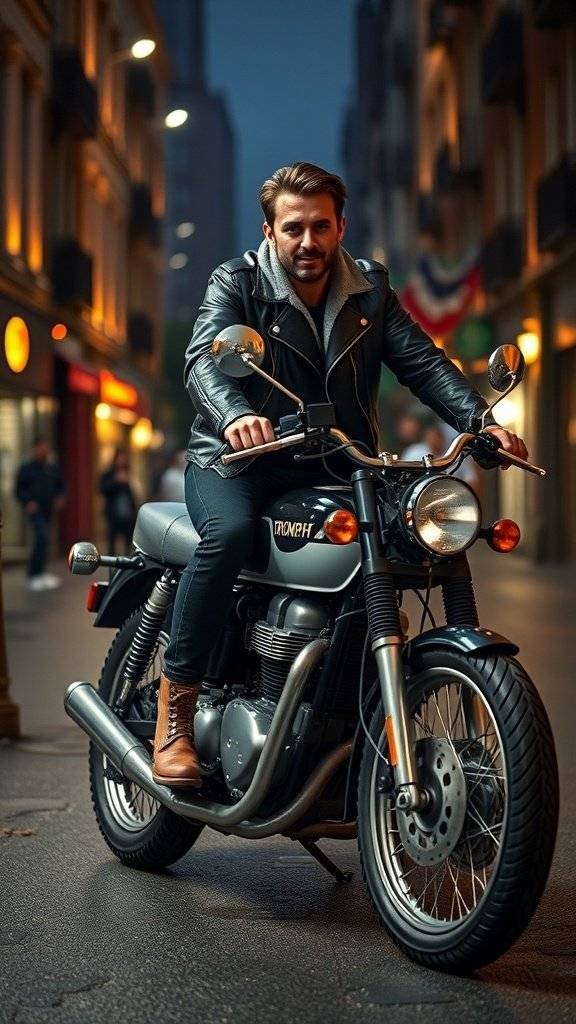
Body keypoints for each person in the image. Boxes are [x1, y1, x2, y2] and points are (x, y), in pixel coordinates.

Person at [152, 161, 528, 787]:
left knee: (408, 539)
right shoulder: (236, 282)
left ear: (339, 227)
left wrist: (478, 421)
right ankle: (178, 714)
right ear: (270, 231)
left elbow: (422, 364)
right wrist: (236, 415)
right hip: (241, 461)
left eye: (320, 226)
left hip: (336, 464)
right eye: (293, 228)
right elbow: (204, 360)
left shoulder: (370, 290)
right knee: (230, 535)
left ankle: (356, 707)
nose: (308, 242)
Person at [14, 438, 66, 591]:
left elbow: (61, 485)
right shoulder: (26, 469)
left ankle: (41, 573)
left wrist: (60, 497)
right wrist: (27, 502)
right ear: (34, 449)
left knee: (45, 541)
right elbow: (18, 490)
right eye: (40, 448)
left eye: (46, 447)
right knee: (41, 538)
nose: (43, 451)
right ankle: (33, 574)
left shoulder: (51, 468)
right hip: (35, 511)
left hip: (48, 510)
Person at [99, 449, 137, 554]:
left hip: (127, 512)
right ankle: (111, 562)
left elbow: (132, 494)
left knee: (128, 538)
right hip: (113, 512)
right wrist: (116, 481)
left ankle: (127, 560)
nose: (122, 460)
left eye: (124, 457)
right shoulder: (108, 474)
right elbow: (102, 489)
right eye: (120, 457)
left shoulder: (128, 472)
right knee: (112, 538)